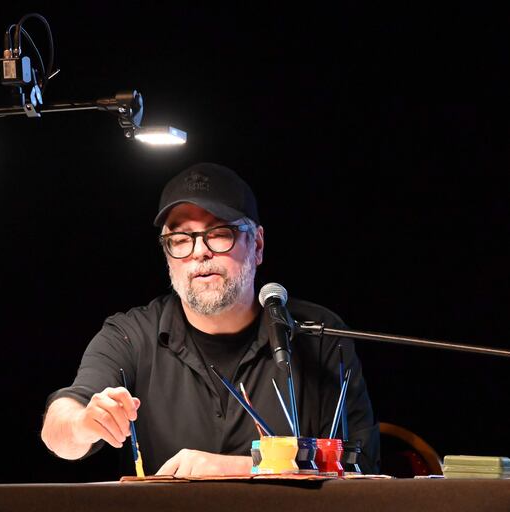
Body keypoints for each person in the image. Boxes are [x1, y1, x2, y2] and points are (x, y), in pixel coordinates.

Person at [41, 162, 379, 476]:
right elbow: (59, 431)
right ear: (167, 254)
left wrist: (224, 469)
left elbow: (361, 466)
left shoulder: (320, 336)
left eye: (218, 233)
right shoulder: (130, 336)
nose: (199, 251)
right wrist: (83, 422)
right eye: (181, 239)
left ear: (257, 245)